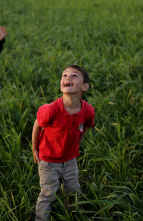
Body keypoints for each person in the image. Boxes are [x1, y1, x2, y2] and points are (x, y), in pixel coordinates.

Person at [32, 65, 95, 220]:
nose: (67, 78)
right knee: (48, 194)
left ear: (85, 87)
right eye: (64, 75)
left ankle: (70, 215)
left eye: (74, 76)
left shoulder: (88, 111)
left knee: (73, 191)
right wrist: (34, 149)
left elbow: (86, 126)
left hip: (70, 159)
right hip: (48, 161)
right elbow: (37, 126)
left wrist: (77, 144)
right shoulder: (51, 110)